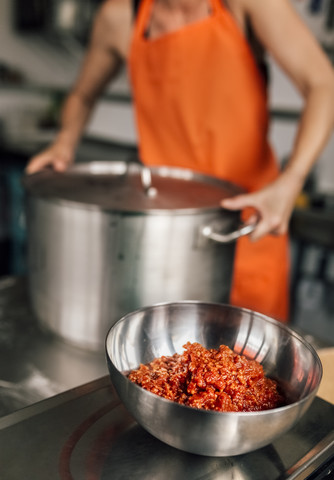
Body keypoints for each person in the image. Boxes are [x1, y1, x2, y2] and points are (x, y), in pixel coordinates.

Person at [26, 0, 334, 322]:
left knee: (252, 366)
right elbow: (82, 95)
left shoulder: (245, 4)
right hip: (162, 240)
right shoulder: (119, 18)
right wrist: (64, 140)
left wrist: (292, 180)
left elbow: (323, 84)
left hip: (249, 229)